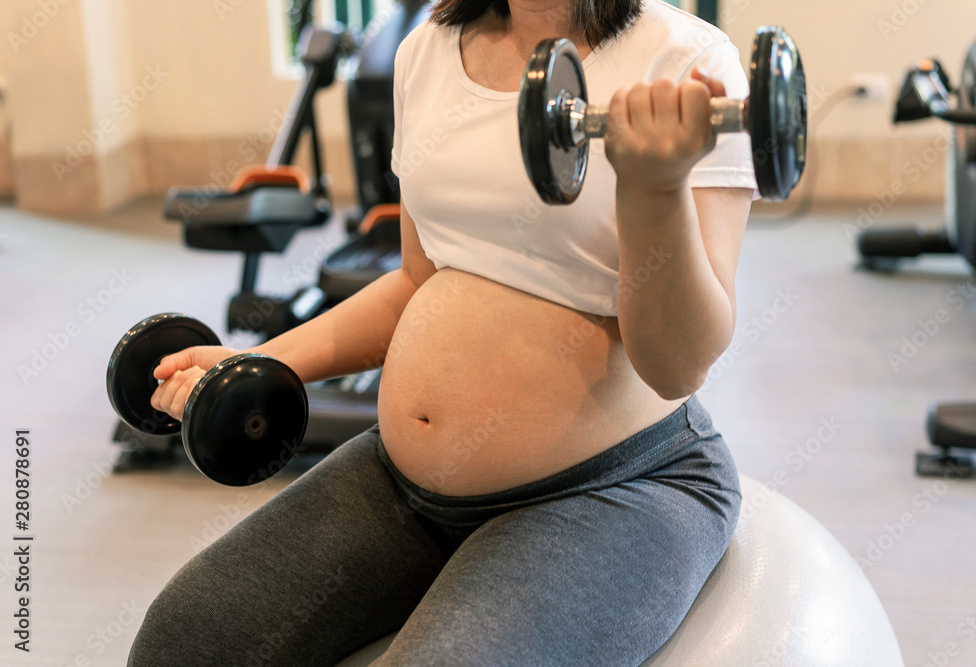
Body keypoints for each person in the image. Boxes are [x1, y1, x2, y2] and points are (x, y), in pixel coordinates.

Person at [128, 0, 757, 664]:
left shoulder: (688, 65)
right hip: (403, 482)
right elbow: (417, 280)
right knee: (184, 640)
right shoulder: (428, 48)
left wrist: (654, 188)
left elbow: (678, 365)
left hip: (618, 484)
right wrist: (255, 360)